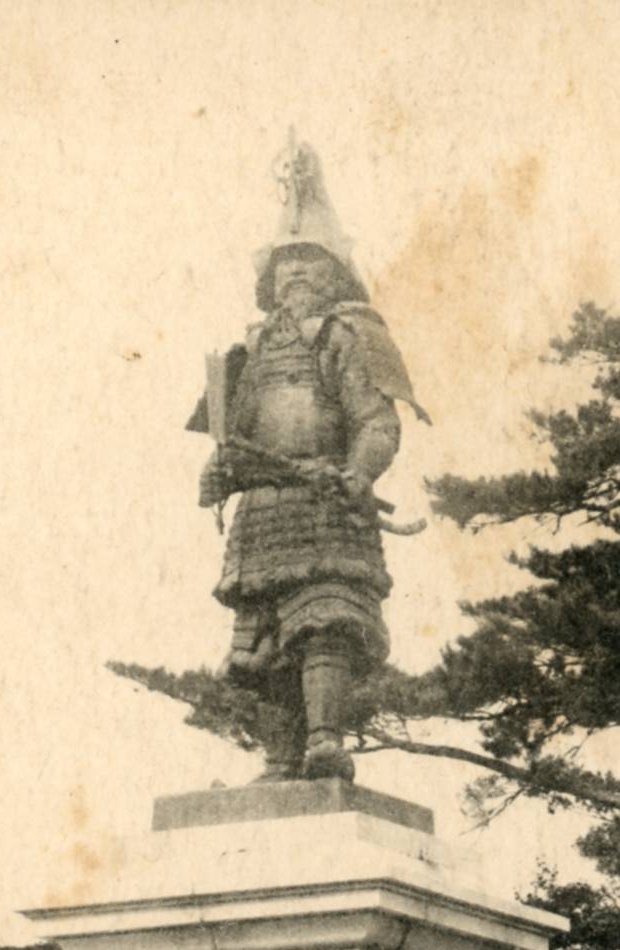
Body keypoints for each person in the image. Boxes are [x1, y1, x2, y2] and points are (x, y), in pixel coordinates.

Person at [188, 143, 427, 780]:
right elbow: (233, 438)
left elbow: (376, 420)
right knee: (264, 639)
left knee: (324, 623)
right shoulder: (249, 352)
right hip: (263, 513)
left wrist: (359, 471)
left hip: (326, 502)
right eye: (285, 264)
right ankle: (279, 755)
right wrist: (217, 476)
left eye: (309, 261)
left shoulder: (348, 336)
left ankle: (324, 739)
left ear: (335, 273)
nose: (295, 272)